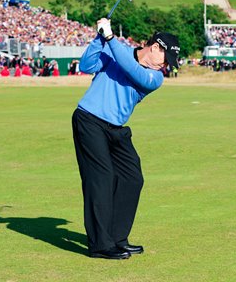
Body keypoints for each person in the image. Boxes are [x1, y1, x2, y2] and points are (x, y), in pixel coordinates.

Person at [71, 17, 179, 260]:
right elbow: (86, 65)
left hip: (116, 128)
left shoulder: (155, 78)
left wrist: (110, 38)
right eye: (166, 59)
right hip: (89, 120)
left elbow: (131, 69)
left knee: (132, 177)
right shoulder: (115, 51)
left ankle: (117, 238)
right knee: (101, 178)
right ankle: (100, 245)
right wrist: (100, 39)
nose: (166, 66)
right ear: (155, 48)